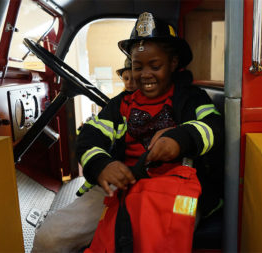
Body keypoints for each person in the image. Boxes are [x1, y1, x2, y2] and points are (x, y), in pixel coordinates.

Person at [77, 12, 223, 252]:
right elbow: (90, 136)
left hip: (177, 190)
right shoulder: (120, 105)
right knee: (50, 238)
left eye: (155, 66)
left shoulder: (191, 99)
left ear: (173, 63)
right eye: (137, 66)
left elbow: (214, 128)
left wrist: (180, 139)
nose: (145, 74)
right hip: (121, 186)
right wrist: (101, 164)